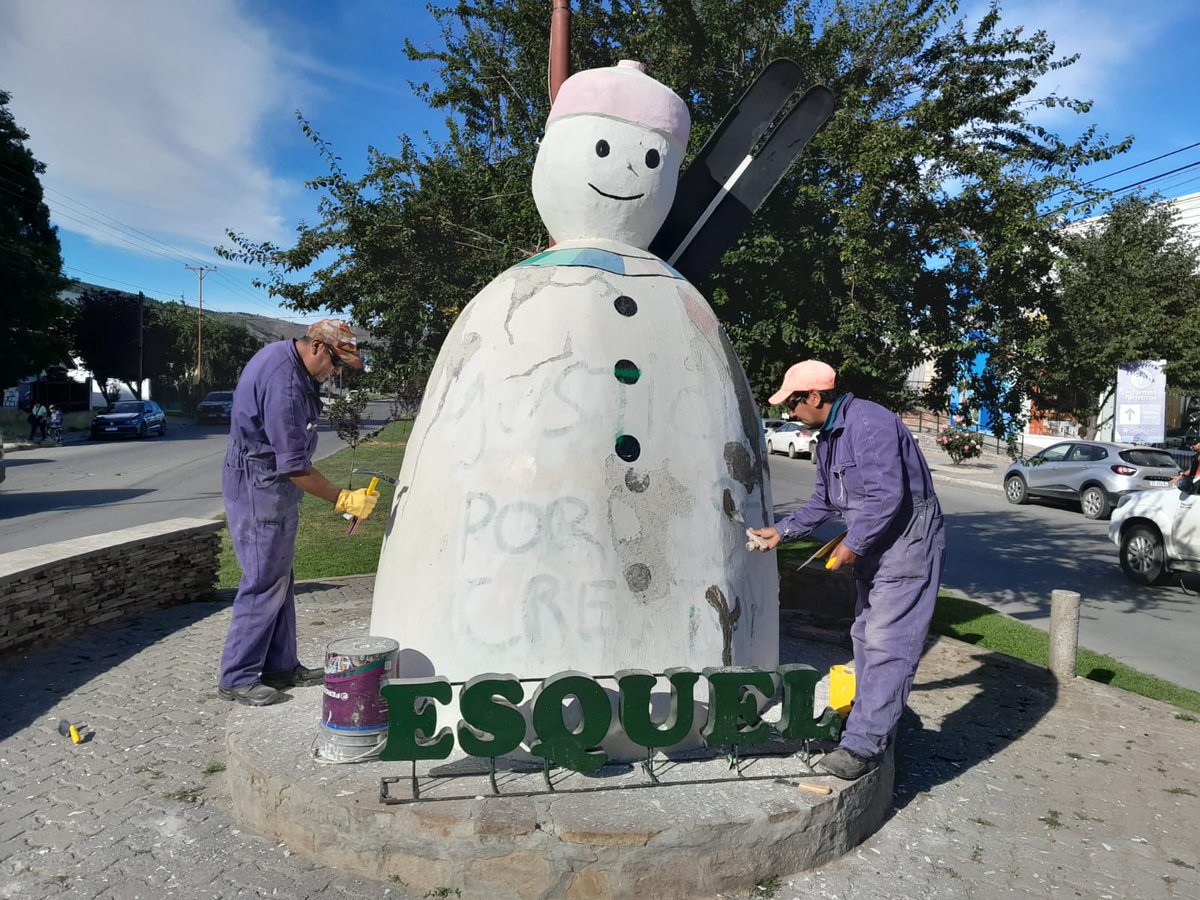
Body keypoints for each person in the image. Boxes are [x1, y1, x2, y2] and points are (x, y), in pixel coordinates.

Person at [749, 360, 945, 780]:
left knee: (887, 643)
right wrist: (782, 531)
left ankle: (863, 747)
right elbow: (823, 501)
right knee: (864, 634)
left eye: (792, 403)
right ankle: (865, 723)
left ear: (815, 396)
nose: (789, 412)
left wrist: (852, 545)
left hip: (907, 545)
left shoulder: (869, 423)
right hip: (878, 543)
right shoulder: (830, 438)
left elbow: (886, 496)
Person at [218, 319, 381, 706]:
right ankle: (237, 676)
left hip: (266, 479)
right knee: (263, 580)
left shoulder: (286, 360)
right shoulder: (285, 384)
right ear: (318, 347)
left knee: (278, 577)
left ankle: (280, 666)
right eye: (335, 363)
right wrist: (343, 499)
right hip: (260, 483)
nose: (335, 373)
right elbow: (294, 466)